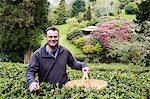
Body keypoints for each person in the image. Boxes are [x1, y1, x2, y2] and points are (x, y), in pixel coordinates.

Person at [26, 26, 90, 92]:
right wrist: (32, 82)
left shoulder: (64, 51)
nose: (53, 39)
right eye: (50, 37)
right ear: (46, 37)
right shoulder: (38, 54)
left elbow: (73, 63)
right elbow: (30, 71)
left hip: (64, 89)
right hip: (47, 91)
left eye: (55, 37)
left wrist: (83, 66)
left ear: (59, 37)